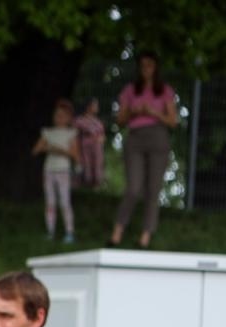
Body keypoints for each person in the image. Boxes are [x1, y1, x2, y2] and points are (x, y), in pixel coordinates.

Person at [111, 51, 179, 249]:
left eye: (150, 65)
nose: (146, 69)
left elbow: (173, 121)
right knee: (133, 188)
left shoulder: (164, 91)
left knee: (153, 189)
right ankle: (117, 233)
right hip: (136, 138)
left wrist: (153, 112)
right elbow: (120, 120)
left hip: (158, 137)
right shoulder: (131, 90)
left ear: (156, 68)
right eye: (142, 65)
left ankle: (145, 237)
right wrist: (134, 111)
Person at [33, 99, 79, 242]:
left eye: (63, 115)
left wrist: (59, 150)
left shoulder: (71, 134)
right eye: (57, 115)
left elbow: (75, 154)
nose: (59, 118)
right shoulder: (48, 133)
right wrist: (46, 148)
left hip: (63, 170)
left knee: (64, 202)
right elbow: (36, 150)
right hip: (49, 170)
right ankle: (50, 231)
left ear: (69, 118)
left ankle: (69, 232)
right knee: (50, 202)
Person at [74, 98, 106, 188]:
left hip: (97, 148)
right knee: (85, 168)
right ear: (89, 107)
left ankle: (96, 186)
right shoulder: (80, 120)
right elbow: (76, 136)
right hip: (85, 148)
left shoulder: (98, 122)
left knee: (96, 167)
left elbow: (103, 136)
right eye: (95, 105)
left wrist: (100, 140)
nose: (97, 107)